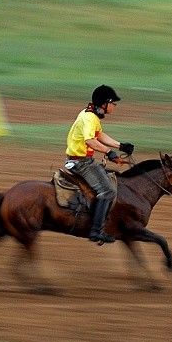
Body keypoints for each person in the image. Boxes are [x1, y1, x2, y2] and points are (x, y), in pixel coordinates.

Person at [64, 85, 135, 244]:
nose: (115, 106)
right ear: (105, 103)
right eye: (113, 103)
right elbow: (90, 141)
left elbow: (99, 135)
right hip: (80, 163)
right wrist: (109, 152)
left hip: (84, 160)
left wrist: (120, 145)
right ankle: (96, 231)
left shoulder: (90, 114)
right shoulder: (89, 118)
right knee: (108, 191)